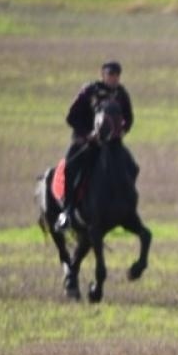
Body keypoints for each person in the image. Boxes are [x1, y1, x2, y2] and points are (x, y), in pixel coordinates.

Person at [54, 60, 134, 233]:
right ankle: (67, 211)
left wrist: (123, 131)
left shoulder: (121, 94)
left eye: (116, 76)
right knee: (71, 168)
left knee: (132, 167)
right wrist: (87, 134)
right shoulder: (89, 91)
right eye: (110, 75)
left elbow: (129, 117)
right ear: (103, 75)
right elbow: (71, 117)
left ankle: (127, 206)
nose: (113, 79)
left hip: (111, 144)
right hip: (85, 142)